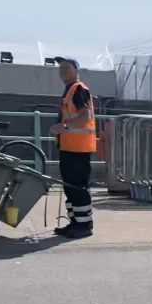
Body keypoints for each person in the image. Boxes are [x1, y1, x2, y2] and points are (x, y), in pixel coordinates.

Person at [51, 56, 96, 238]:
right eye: (60, 68)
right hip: (69, 147)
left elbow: (85, 116)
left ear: (77, 71)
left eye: (66, 68)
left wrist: (64, 127)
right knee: (70, 187)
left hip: (79, 148)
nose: (62, 71)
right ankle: (75, 222)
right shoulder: (69, 90)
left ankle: (84, 225)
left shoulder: (78, 89)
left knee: (78, 187)